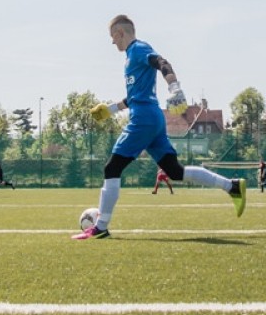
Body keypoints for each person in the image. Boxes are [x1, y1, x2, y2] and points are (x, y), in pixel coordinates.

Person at [72, 15, 245, 239]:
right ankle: (232, 186)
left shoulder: (138, 49)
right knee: (175, 171)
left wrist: (174, 87)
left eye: (112, 37)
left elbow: (163, 63)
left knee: (112, 168)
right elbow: (134, 96)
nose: (112, 42)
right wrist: (111, 109)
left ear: (120, 33)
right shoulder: (131, 58)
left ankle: (101, 227)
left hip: (143, 119)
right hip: (153, 118)